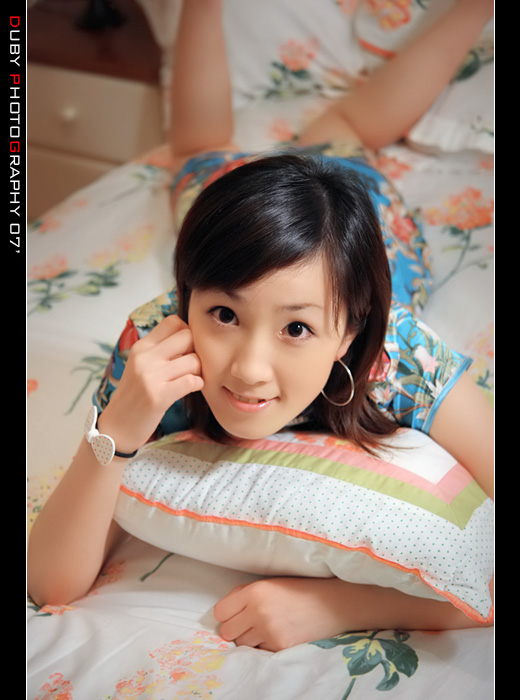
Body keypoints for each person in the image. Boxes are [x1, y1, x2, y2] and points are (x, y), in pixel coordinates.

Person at [27, 0, 494, 652]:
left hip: (363, 208)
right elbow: (51, 581)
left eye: (296, 331)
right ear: (187, 298)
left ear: (349, 333)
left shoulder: (399, 355)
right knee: (199, 154)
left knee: (347, 130)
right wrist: (115, 431)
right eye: (224, 314)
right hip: (249, 208)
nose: (247, 368)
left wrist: (338, 605)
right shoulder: (161, 342)